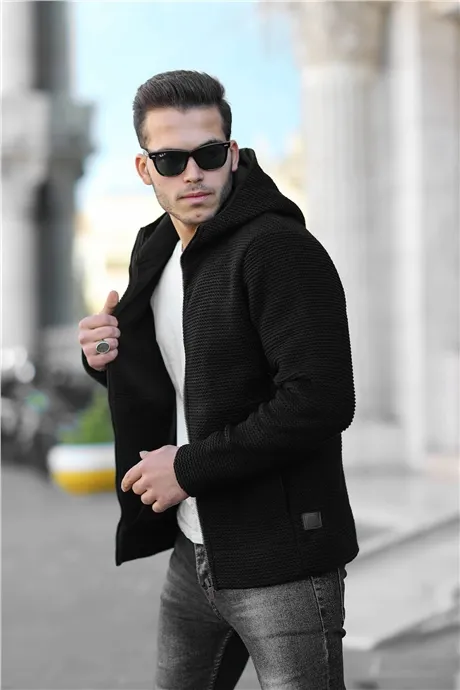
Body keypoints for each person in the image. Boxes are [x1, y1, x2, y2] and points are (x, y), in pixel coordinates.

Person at [78, 70, 359, 690]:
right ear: (144, 168)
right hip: (196, 547)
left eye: (207, 155)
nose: (192, 174)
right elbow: (189, 384)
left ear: (232, 153)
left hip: (283, 558)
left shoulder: (278, 250)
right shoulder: (156, 249)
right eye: (170, 160)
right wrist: (105, 362)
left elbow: (321, 400)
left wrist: (186, 468)